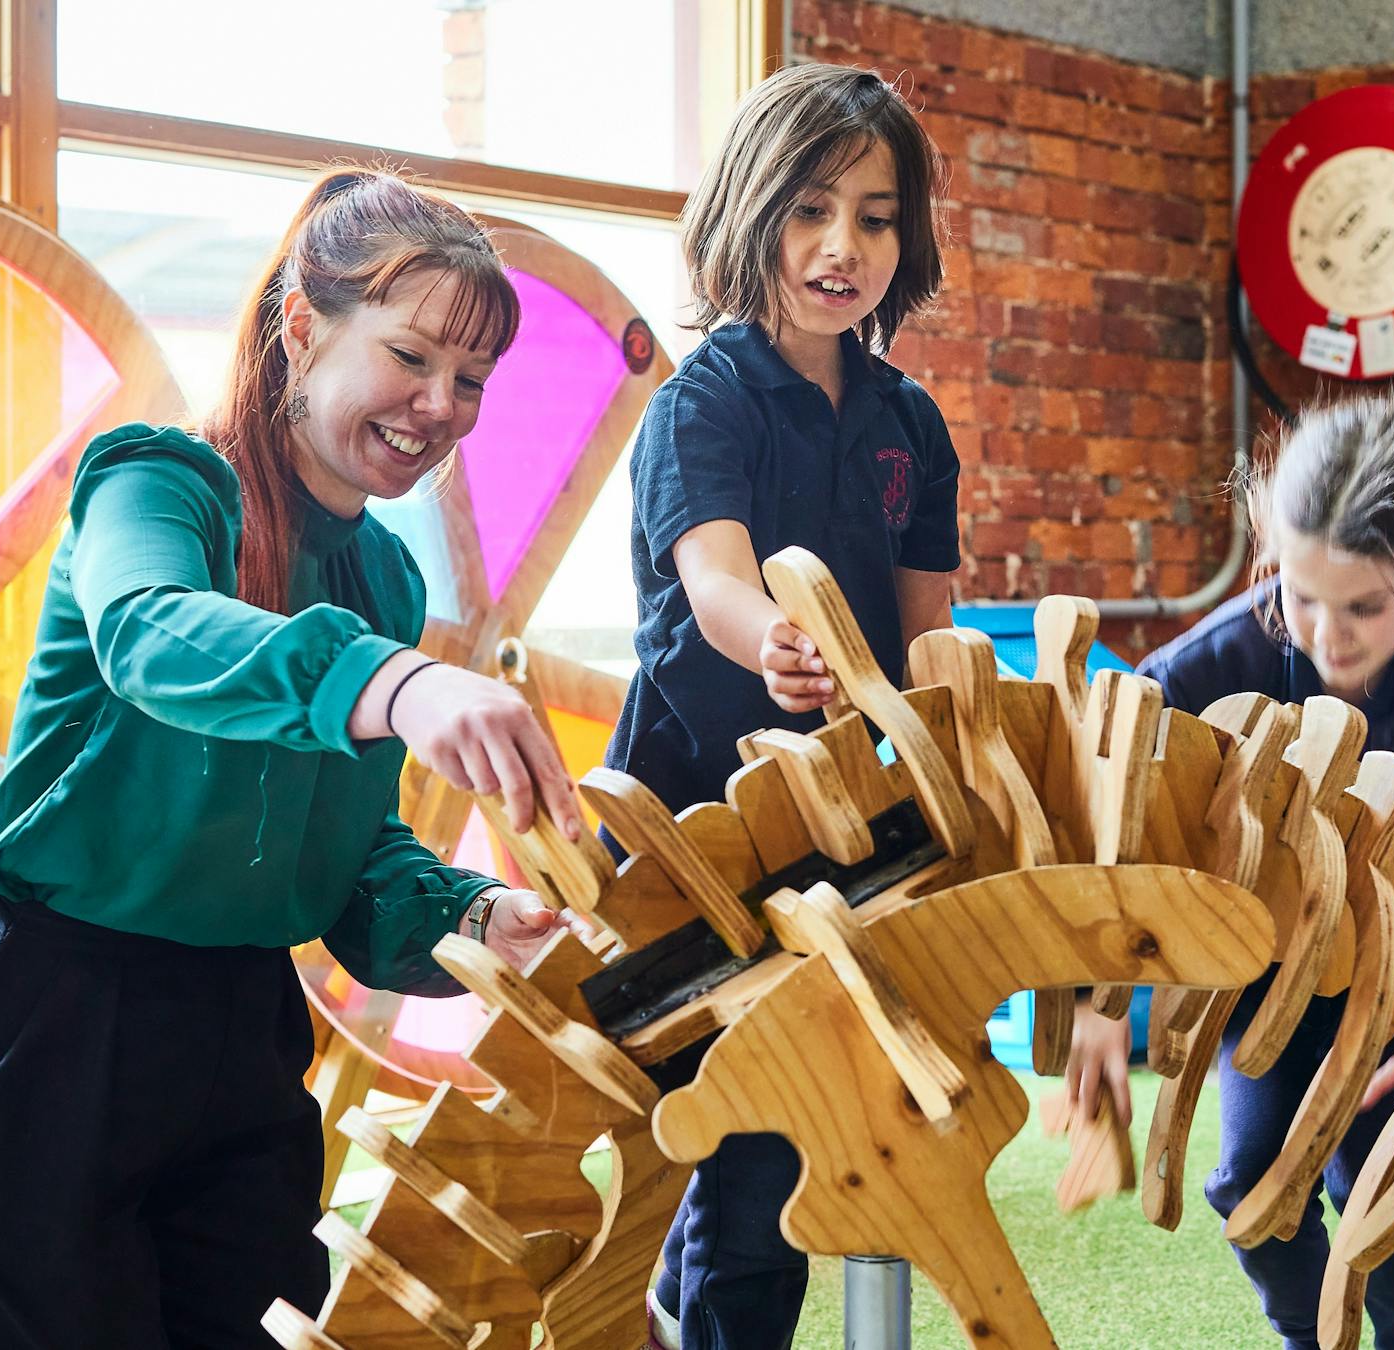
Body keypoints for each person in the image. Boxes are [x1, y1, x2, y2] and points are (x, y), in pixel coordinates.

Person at [0, 168, 586, 1350]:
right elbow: (149, 629)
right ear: (303, 326)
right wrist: (392, 682)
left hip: (245, 1041)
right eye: (411, 356)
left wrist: (472, 922)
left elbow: (345, 854)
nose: (441, 406)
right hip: (41, 1037)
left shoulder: (386, 576)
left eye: (471, 379)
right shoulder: (158, 482)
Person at [1066, 394, 1394, 1350]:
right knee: (1252, 1188)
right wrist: (1095, 999)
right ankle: (1311, 1338)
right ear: (1271, 548)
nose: (1327, 634)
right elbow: (1112, 823)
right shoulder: (1205, 667)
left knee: (1384, 1201)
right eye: (1301, 595)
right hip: (1266, 981)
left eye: (1364, 607)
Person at [605, 64, 960, 1350]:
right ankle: (685, 1307)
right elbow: (714, 582)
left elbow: (928, 632)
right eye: (811, 209)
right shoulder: (701, 403)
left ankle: (687, 1302)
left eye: (875, 217)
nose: (841, 245)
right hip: (704, 819)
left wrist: (951, 731)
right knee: (739, 1146)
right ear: (750, 214)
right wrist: (781, 645)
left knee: (819, 1137)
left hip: (853, 826)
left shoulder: (910, 422)